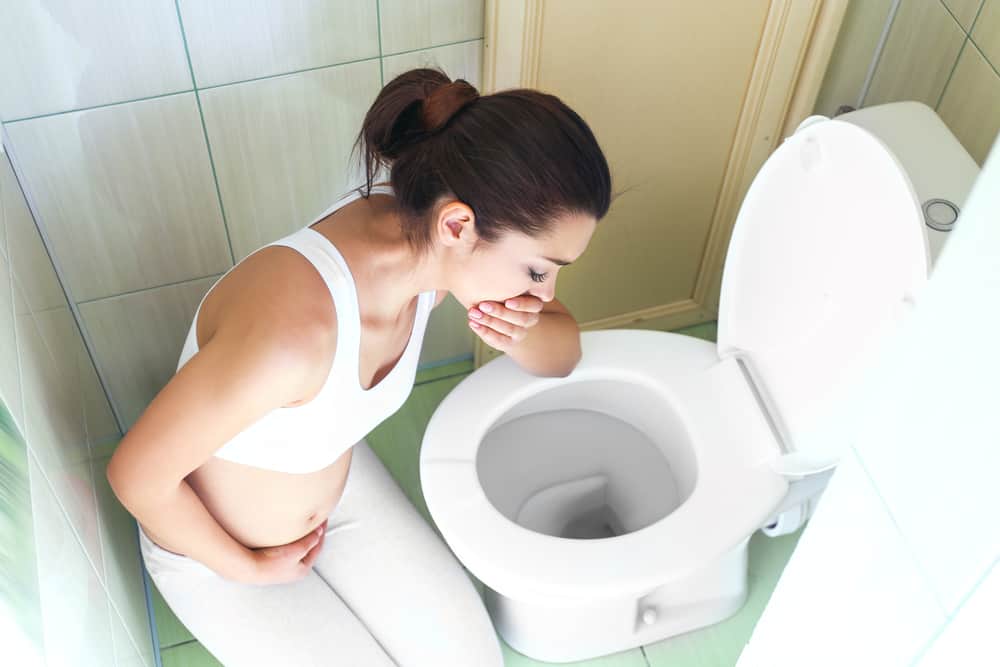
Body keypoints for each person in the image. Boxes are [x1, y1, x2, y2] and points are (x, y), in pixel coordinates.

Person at [107, 68, 612, 666]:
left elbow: (563, 356)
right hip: (217, 554)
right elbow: (135, 478)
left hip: (335, 486)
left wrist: (522, 334)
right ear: (459, 225)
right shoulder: (292, 338)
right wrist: (248, 567)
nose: (545, 291)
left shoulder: (428, 242)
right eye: (537, 270)